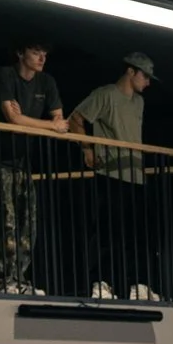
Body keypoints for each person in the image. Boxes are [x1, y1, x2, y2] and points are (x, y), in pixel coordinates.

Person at [0, 36, 65, 294]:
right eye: (36, 51)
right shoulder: (4, 75)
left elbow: (60, 121)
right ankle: (1, 278)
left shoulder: (47, 81)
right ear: (20, 53)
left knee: (27, 221)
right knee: (2, 220)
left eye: (44, 53)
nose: (41, 58)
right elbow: (12, 118)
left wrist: (29, 120)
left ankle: (20, 278)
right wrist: (43, 124)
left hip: (23, 160)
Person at [72, 52, 156, 298]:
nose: (147, 82)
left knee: (136, 234)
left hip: (135, 174)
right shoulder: (105, 94)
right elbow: (77, 117)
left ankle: (137, 284)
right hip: (110, 173)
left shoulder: (138, 102)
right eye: (145, 76)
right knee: (108, 230)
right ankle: (101, 281)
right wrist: (87, 149)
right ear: (131, 72)